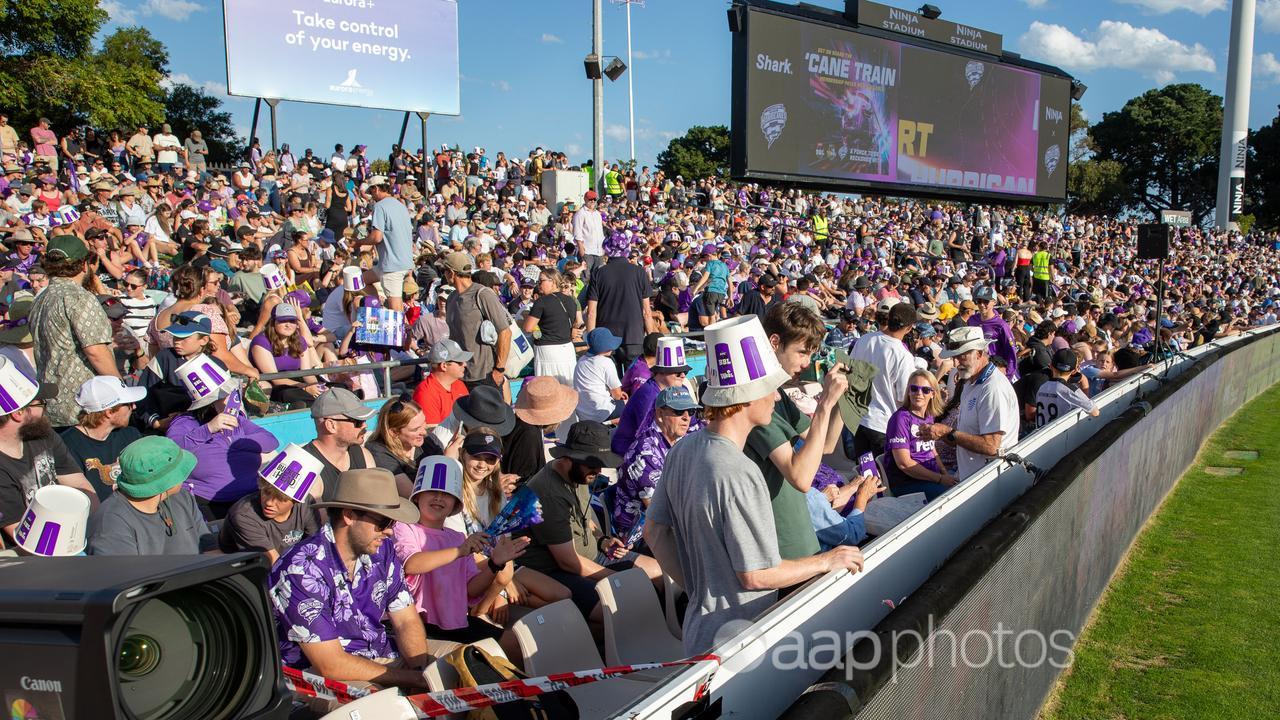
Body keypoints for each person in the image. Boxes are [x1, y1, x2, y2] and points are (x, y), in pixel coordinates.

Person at [645, 315, 864, 655]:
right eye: (769, 390)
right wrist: (826, 561)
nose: (776, 399)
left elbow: (655, 532)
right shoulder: (741, 471)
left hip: (701, 629)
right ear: (745, 398)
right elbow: (756, 576)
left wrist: (703, 591)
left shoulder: (683, 449)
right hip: (743, 641)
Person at [270, 468, 434, 697]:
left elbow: (406, 619)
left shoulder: (382, 549)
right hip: (318, 676)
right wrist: (413, 679)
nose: (389, 531)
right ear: (349, 515)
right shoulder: (301, 569)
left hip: (380, 652)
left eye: (392, 523)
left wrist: (420, 671)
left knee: (468, 665)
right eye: (383, 521)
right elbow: (331, 665)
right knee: (384, 709)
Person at [518, 421, 660, 625]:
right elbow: (568, 562)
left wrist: (601, 539)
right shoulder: (549, 494)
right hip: (556, 571)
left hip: (590, 555)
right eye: (592, 464)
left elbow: (586, 518)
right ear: (569, 458)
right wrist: (619, 579)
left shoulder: (578, 473)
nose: (599, 470)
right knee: (621, 609)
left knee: (658, 573)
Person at [745, 304, 850, 561]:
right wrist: (824, 403)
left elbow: (825, 445)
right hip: (779, 547)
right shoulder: (758, 400)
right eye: (801, 352)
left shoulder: (778, 392)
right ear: (774, 342)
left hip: (799, 537)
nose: (806, 363)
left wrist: (840, 403)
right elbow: (801, 478)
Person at [393, 455, 529, 654]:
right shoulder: (404, 527)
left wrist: (494, 565)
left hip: (455, 622)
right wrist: (460, 551)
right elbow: (412, 564)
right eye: (432, 491)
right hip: (417, 626)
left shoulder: (457, 537)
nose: (439, 498)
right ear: (417, 496)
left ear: (455, 503)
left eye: (446, 494)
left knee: (516, 644)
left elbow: (471, 590)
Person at [166, 359, 280, 520]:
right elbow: (171, 451)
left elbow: (271, 441)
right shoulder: (185, 422)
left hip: (250, 498)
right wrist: (208, 430)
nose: (232, 399)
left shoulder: (237, 419)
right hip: (208, 503)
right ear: (209, 404)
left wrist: (240, 443)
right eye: (225, 395)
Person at [29, 235, 119, 429]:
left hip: (50, 403)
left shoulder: (39, 299)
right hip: (82, 406)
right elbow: (96, 352)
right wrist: (120, 388)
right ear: (84, 265)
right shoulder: (79, 298)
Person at [86, 436, 213, 555]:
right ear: (165, 481)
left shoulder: (182, 497)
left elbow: (209, 548)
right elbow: (126, 576)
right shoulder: (110, 524)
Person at [923, 326, 1020, 479]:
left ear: (979, 353)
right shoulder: (971, 382)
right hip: (974, 478)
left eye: (961, 357)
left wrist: (946, 433)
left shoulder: (993, 388)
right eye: (954, 358)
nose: (955, 364)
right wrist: (942, 434)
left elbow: (991, 446)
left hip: (988, 482)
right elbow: (967, 436)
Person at [612, 385, 700, 545]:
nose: (687, 418)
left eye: (691, 412)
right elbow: (661, 513)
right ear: (659, 414)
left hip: (669, 519)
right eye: (679, 412)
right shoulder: (645, 454)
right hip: (638, 535)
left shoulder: (679, 441)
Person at [846, 301, 920, 461]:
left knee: (865, 474)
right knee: (883, 479)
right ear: (909, 327)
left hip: (859, 419)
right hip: (882, 424)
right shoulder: (902, 355)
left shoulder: (865, 339)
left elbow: (848, 373)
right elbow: (903, 396)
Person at [219, 450, 322, 563]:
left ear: (295, 501)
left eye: (280, 498)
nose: (269, 502)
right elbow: (273, 561)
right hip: (248, 569)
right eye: (266, 492)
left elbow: (316, 546)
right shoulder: (244, 515)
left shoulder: (306, 505)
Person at [59, 376, 146, 500]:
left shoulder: (130, 435)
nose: (134, 407)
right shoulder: (67, 446)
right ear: (109, 412)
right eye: (128, 404)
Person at [443, 251, 512, 392]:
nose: (442, 274)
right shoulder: (451, 298)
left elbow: (505, 332)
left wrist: (499, 370)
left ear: (451, 272)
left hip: (484, 376)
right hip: (459, 376)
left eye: (443, 271)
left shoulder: (482, 294)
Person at [611, 335, 691, 456]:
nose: (683, 376)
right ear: (662, 372)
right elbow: (646, 435)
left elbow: (693, 424)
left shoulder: (681, 389)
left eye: (685, 372)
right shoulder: (648, 395)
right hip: (631, 453)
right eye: (678, 372)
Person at [883, 370, 956, 500]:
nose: (919, 393)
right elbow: (904, 463)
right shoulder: (900, 419)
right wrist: (940, 479)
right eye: (914, 388)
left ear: (933, 393)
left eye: (925, 390)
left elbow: (931, 448)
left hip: (931, 477)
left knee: (962, 484)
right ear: (908, 391)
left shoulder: (928, 416)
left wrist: (944, 472)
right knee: (953, 496)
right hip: (908, 483)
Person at [584, 235, 655, 366]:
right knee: (635, 382)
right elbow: (647, 312)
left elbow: (591, 312)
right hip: (633, 335)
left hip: (605, 338)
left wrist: (592, 340)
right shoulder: (639, 272)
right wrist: (651, 339)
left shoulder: (599, 274)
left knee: (610, 384)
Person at [302, 387, 376, 500]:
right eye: (357, 422)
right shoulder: (304, 466)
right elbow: (315, 517)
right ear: (331, 425)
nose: (364, 425)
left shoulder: (363, 455)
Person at [356, 177, 413, 312]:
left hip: (391, 265)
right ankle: (378, 307)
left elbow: (377, 237)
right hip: (400, 262)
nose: (371, 196)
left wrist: (359, 242)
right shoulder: (400, 205)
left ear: (376, 188)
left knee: (396, 308)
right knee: (360, 281)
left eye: (371, 191)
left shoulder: (380, 206)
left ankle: (401, 332)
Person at [250, 302, 324, 406]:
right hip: (275, 386)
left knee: (335, 389)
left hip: (297, 382)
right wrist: (305, 387)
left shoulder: (300, 340)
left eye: (292, 321)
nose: (288, 325)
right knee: (296, 397)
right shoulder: (261, 341)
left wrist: (317, 387)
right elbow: (275, 378)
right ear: (273, 322)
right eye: (283, 321)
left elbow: (307, 373)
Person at [522, 267, 579, 385]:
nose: (538, 284)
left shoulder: (541, 302)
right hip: (567, 350)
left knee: (548, 391)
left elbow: (528, 328)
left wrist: (527, 319)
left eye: (541, 281)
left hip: (547, 351)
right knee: (568, 390)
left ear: (552, 281)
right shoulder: (571, 301)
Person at [366, 396, 430, 497]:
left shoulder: (426, 441)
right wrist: (448, 458)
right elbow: (413, 497)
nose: (424, 432)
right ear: (394, 432)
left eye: (424, 423)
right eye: (416, 429)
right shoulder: (379, 452)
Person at [411, 338, 472, 425]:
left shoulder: (459, 384)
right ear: (444, 366)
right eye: (460, 362)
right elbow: (432, 434)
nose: (465, 364)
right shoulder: (426, 394)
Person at [1035, 348, 1100, 428]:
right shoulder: (1070, 390)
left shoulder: (1042, 387)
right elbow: (1095, 412)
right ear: (1074, 371)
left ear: (1051, 366)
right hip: (1058, 436)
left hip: (1040, 434)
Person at [573, 328, 626, 423]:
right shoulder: (606, 362)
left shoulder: (581, 361)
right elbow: (617, 395)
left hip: (582, 414)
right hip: (601, 413)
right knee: (630, 404)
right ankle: (610, 424)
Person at [968, 286, 1019, 381]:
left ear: (994, 302)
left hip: (995, 371)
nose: (982, 305)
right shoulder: (972, 320)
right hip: (976, 370)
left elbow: (1011, 353)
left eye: (986, 302)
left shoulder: (1001, 325)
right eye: (979, 301)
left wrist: (1007, 377)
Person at [572, 191, 605, 281]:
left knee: (598, 277)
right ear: (585, 199)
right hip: (587, 251)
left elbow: (600, 232)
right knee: (586, 277)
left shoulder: (597, 214)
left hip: (599, 251)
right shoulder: (580, 214)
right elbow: (577, 233)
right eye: (590, 199)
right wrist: (582, 251)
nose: (593, 201)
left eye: (594, 199)